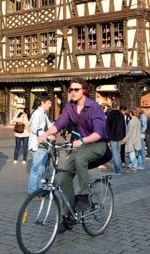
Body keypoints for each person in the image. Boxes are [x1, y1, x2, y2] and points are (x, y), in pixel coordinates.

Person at [37, 78, 109, 215]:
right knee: (63, 177)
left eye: (77, 89)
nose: (73, 92)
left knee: (80, 158)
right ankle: (67, 214)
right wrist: (45, 135)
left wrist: (82, 141)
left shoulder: (94, 107)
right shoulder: (70, 106)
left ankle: (84, 194)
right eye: (71, 90)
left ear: (84, 91)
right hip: (82, 146)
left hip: (98, 144)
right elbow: (59, 124)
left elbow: (99, 133)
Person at [27, 94, 53, 194]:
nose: (50, 105)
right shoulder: (37, 113)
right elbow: (34, 128)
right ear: (42, 102)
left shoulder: (44, 114)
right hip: (38, 145)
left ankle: (38, 189)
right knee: (36, 169)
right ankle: (32, 191)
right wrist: (47, 136)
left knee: (41, 169)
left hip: (44, 145)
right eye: (48, 103)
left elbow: (50, 126)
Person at [105, 101, 126, 175]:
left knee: (115, 153)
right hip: (120, 136)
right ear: (117, 107)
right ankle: (118, 167)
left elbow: (107, 128)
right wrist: (124, 137)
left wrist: (107, 138)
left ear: (111, 106)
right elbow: (124, 127)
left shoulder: (109, 115)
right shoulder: (121, 115)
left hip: (112, 136)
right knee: (118, 152)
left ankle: (117, 169)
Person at [123, 108, 142, 172]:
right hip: (137, 138)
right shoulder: (138, 120)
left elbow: (129, 132)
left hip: (131, 139)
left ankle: (134, 166)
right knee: (134, 153)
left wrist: (124, 140)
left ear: (131, 113)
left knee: (131, 153)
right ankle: (135, 165)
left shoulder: (131, 121)